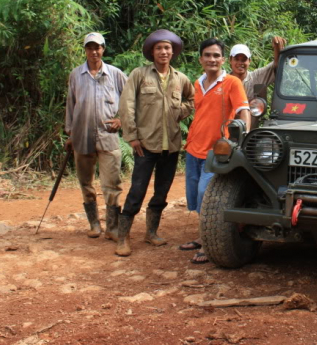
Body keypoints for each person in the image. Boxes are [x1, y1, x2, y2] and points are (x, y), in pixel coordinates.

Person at [115, 30, 195, 257]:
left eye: (167, 48)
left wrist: (182, 111)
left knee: (162, 191)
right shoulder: (140, 75)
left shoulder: (180, 78)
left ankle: (151, 232)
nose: (164, 52)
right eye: (159, 48)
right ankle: (123, 237)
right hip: (145, 145)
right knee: (137, 190)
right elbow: (127, 105)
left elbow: (192, 99)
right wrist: (131, 136)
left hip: (170, 146)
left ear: (173, 52)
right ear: (152, 52)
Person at [180, 38, 251, 264]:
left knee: (206, 194)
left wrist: (243, 137)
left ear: (223, 59)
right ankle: (203, 236)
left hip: (217, 152)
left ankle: (210, 241)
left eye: (216, 55)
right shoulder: (198, 83)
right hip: (193, 148)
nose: (211, 59)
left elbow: (243, 110)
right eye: (207, 55)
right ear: (200, 59)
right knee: (193, 195)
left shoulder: (231, 82)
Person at [64, 32, 127, 241]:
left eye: (98, 47)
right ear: (85, 50)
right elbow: (71, 106)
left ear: (103, 49)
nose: (94, 51)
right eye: (90, 47)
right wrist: (70, 133)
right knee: (85, 182)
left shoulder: (115, 74)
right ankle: (93, 224)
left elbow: (130, 101)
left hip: (108, 137)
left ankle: (112, 227)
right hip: (81, 136)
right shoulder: (76, 75)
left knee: (112, 182)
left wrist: (121, 119)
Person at [229, 36, 286, 101]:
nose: (240, 63)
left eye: (244, 59)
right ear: (230, 60)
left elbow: (277, 64)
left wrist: (277, 47)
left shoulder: (257, 77)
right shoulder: (224, 81)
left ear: (249, 61)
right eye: (236, 59)